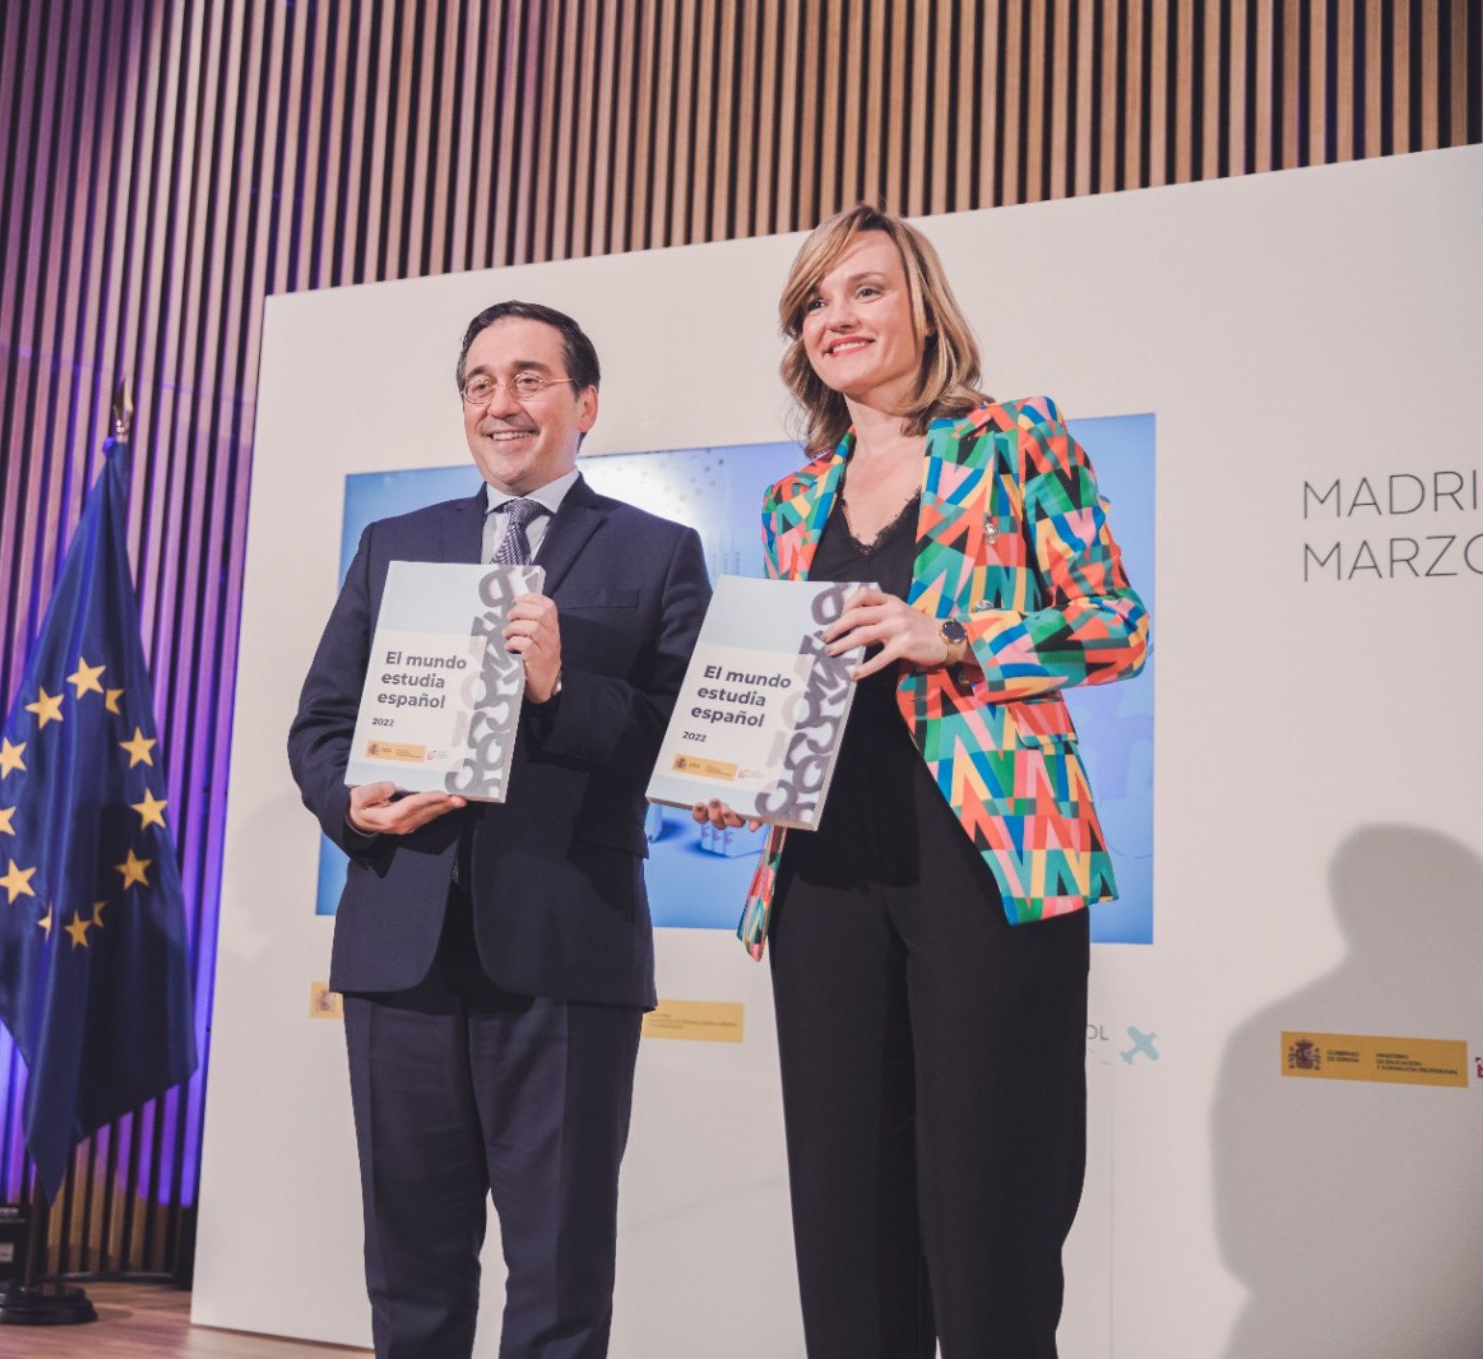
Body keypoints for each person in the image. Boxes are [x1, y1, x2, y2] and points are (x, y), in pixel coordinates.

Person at [694, 204, 1150, 1358]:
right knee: (843, 1213)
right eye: (815, 301)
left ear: (923, 307)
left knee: (991, 1205)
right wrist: (742, 769)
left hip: (986, 862)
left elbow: (1116, 627)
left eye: (866, 289)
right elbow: (796, 678)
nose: (837, 317)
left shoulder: (1018, 441)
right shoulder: (792, 500)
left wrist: (954, 636)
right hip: (820, 874)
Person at [288, 301, 711, 1359]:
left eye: (528, 378)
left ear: (586, 403)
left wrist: (561, 686)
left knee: (560, 1278)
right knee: (411, 1275)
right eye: (479, 383)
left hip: (566, 955)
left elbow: (683, 741)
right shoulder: (396, 545)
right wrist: (348, 802)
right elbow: (322, 725)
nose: (500, 403)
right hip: (400, 949)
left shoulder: (660, 552)